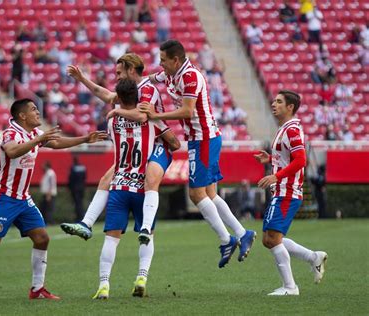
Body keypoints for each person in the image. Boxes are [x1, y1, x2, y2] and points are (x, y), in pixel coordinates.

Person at [0, 98, 108, 301]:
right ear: (22, 115)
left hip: (23, 199)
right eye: (33, 109)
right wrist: (38, 141)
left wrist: (84, 139)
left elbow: (56, 143)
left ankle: (37, 289)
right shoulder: (9, 134)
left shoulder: (34, 134)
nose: (38, 113)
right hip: (4, 197)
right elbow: (13, 151)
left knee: (42, 238)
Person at [140, 40, 256, 268]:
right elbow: (151, 78)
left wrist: (154, 115)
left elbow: (187, 110)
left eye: (164, 60)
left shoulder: (190, 76)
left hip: (204, 139)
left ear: (175, 60)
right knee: (210, 193)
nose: (160, 64)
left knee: (196, 194)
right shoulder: (170, 74)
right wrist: (134, 84)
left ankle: (227, 240)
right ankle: (243, 233)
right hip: (200, 139)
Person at [60, 53, 181, 245]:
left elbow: (142, 116)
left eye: (119, 72)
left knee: (150, 180)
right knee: (106, 179)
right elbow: (107, 96)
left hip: (159, 143)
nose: (116, 77)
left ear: (131, 69)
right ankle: (86, 223)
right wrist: (82, 79)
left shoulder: (147, 89)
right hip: (140, 144)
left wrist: (117, 111)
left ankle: (146, 227)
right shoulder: (131, 89)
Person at [91, 79, 177, 299]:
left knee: (111, 238)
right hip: (143, 187)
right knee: (147, 234)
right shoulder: (151, 120)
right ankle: (141, 277)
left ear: (118, 98)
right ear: (138, 98)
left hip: (119, 186)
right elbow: (174, 143)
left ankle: (103, 285)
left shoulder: (112, 123)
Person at [254, 90, 328, 295]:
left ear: (290, 107)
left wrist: (276, 176)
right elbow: (288, 158)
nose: (274, 104)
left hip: (286, 191)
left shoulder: (292, 130)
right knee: (269, 239)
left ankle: (290, 287)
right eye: (274, 101)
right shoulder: (284, 128)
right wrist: (269, 159)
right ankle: (314, 258)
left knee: (272, 239)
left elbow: (300, 160)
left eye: (279, 102)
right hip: (281, 190)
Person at [68, 156, 86, 222]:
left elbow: (71, 179)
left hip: (75, 188)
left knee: (77, 203)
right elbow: (84, 177)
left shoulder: (73, 168)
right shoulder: (83, 167)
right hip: (82, 187)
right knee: (80, 202)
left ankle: (79, 217)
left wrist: (69, 187)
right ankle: (82, 216)